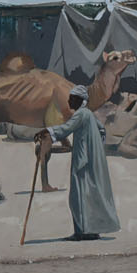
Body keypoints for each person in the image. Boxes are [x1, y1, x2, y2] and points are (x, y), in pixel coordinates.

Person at [34, 85, 119, 241]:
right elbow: (101, 131)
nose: (69, 101)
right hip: (90, 158)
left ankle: (82, 232)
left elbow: (66, 129)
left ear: (80, 100)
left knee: (78, 196)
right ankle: (90, 230)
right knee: (90, 195)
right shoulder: (89, 115)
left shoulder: (81, 114)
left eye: (72, 98)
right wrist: (94, 147)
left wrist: (47, 132)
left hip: (83, 160)